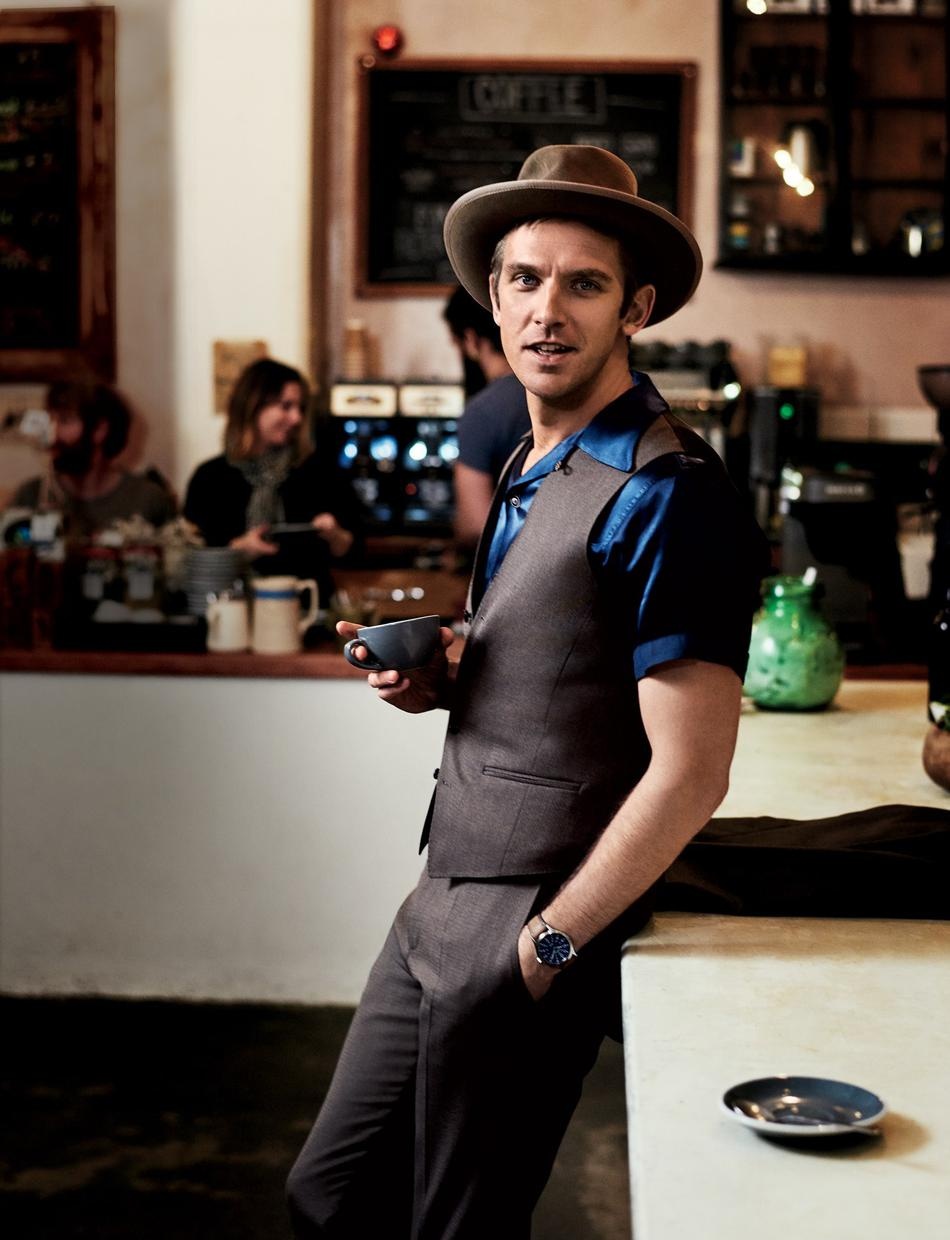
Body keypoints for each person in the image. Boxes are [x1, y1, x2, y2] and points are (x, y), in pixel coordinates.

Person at [286, 145, 769, 1239]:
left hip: (533, 912)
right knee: (331, 1195)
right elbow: (563, 667)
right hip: (438, 891)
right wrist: (444, 677)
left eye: (584, 283)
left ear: (634, 306)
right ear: (493, 299)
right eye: (525, 278)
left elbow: (693, 771)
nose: (548, 310)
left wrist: (549, 946)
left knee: (458, 1225)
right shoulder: (529, 460)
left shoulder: (669, 491)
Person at [183, 358, 363, 608]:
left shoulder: (319, 471)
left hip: (307, 614)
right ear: (252, 406)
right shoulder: (210, 477)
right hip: (229, 614)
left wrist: (336, 536)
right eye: (286, 406)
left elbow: (357, 549)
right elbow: (189, 557)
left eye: (300, 408)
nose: (297, 418)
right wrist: (238, 550)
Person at [9, 381, 176, 538]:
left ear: (99, 430)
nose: (51, 434)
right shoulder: (30, 496)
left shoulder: (148, 500)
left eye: (65, 420)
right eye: (49, 420)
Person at [443, 285, 530, 550]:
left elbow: (475, 527)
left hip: (505, 564)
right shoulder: (555, 395)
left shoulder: (481, 412)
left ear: (470, 339)